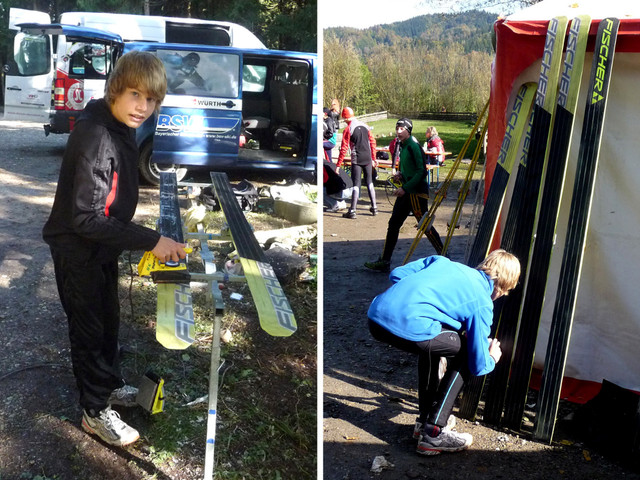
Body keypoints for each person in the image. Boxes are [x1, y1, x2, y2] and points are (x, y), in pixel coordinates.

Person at [42, 50, 187, 447]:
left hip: (101, 248)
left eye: (152, 99)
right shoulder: (95, 133)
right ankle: (93, 411)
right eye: (136, 95)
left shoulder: (118, 123)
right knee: (89, 331)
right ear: (116, 89)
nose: (144, 107)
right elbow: (84, 217)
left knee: (109, 323)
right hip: (78, 251)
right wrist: (152, 241)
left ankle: (107, 385)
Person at [367, 250, 521, 455]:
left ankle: (424, 421)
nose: (499, 296)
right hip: (409, 326)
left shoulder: (441, 262)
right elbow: (478, 363)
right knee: (467, 351)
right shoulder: (482, 301)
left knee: (435, 340)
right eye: (503, 292)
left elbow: (397, 274)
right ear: (501, 286)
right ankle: (434, 432)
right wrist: (492, 356)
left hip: (375, 317)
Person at [364, 118, 443, 272]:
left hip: (416, 193)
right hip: (406, 193)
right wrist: (401, 174)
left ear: (409, 130)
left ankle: (444, 253)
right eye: (397, 128)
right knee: (393, 224)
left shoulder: (413, 146)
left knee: (425, 226)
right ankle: (385, 261)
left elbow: (421, 171)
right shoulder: (403, 145)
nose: (398, 131)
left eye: (402, 128)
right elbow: (411, 169)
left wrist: (405, 188)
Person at [336, 107, 378, 219]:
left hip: (357, 158)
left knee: (356, 183)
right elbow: (373, 142)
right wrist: (374, 158)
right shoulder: (365, 126)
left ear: (345, 118)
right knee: (369, 182)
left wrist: (338, 165)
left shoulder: (348, 129)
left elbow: (344, 148)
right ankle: (374, 207)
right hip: (368, 158)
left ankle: (352, 210)